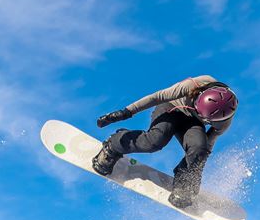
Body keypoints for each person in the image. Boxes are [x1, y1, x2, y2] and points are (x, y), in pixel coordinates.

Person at [93, 75, 238, 208]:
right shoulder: (196, 84)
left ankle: (183, 183)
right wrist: (126, 112)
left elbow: (208, 144)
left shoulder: (223, 122)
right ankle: (114, 145)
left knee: (200, 150)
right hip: (171, 107)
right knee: (155, 141)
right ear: (200, 94)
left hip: (193, 123)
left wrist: (195, 170)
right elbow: (158, 97)